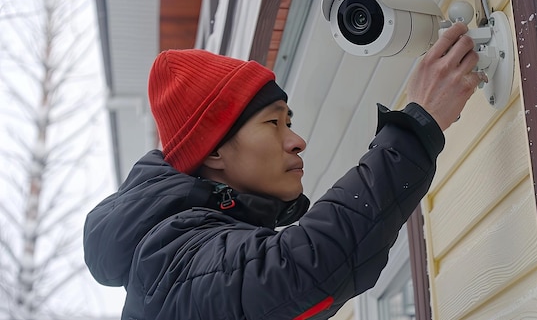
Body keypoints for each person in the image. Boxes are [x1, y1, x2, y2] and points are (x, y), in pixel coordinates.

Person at [83, 22, 485, 320]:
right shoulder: (170, 261)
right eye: (273, 123)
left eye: (288, 122)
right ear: (215, 151)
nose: (296, 141)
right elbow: (304, 268)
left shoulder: (193, 246)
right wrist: (417, 126)